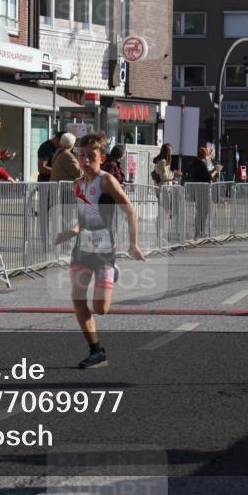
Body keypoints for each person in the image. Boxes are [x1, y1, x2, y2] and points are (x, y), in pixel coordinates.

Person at [54, 133, 145, 369]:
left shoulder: (106, 181)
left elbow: (130, 212)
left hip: (104, 249)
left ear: (101, 158)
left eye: (91, 157)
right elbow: (82, 219)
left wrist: (133, 244)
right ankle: (96, 351)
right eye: (81, 156)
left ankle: (112, 270)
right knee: (78, 299)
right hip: (82, 248)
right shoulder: (78, 185)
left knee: (100, 309)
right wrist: (71, 231)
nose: (85, 161)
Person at [187, 146, 222, 238]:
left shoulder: (198, 163)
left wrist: (214, 170)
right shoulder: (200, 163)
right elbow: (207, 176)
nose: (208, 156)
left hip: (201, 190)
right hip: (202, 190)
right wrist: (216, 170)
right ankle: (199, 231)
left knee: (202, 211)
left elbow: (207, 175)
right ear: (204, 155)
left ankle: (200, 230)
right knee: (202, 211)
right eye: (207, 154)